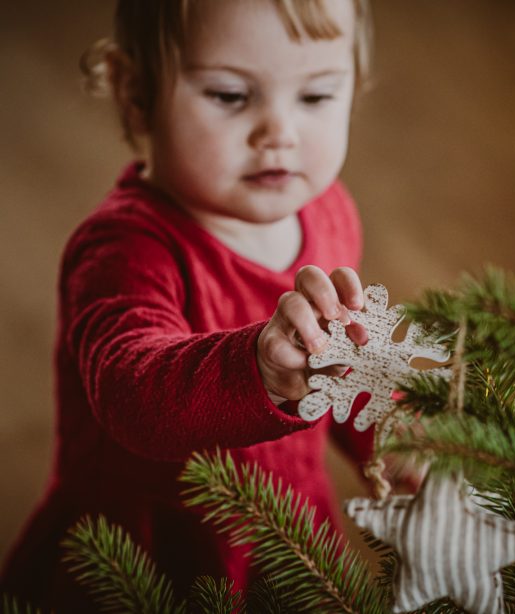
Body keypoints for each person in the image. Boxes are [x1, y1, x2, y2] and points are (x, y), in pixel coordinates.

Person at [0, 0, 377, 608]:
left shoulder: (330, 212)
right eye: (230, 95)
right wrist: (256, 367)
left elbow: (347, 359)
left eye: (316, 97)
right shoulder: (126, 248)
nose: (278, 132)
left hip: (284, 528)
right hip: (153, 553)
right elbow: (131, 393)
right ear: (135, 91)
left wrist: (395, 442)